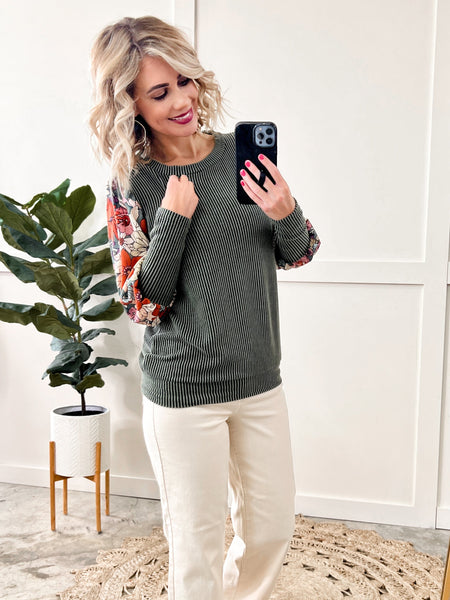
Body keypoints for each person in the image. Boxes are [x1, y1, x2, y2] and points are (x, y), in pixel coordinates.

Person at [89, 15, 320, 600]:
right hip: (183, 392)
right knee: (197, 551)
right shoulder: (132, 183)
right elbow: (143, 303)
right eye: (159, 92)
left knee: (271, 529)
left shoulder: (240, 158)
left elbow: (298, 252)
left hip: (260, 382)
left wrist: (285, 211)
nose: (181, 101)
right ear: (131, 105)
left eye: (185, 81)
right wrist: (173, 220)